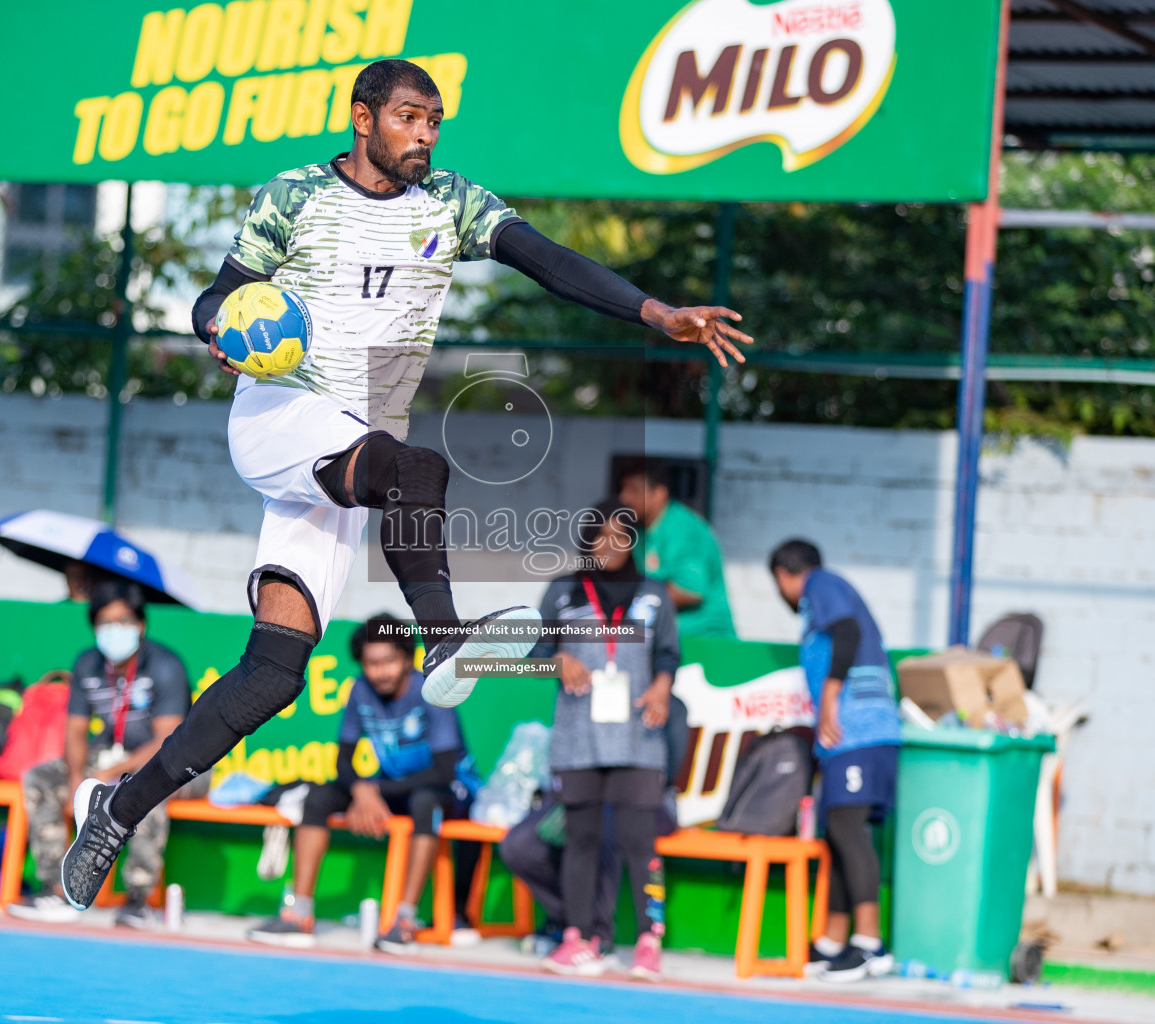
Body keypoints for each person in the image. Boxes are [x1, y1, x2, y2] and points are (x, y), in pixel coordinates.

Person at [58, 58, 751, 913]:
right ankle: (447, 637)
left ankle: (117, 808)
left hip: (355, 454)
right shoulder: (295, 196)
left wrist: (654, 312)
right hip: (282, 417)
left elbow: (548, 259)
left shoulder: (451, 202)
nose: (425, 134)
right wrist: (218, 325)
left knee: (274, 672)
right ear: (362, 117)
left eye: (435, 122)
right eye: (410, 118)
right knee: (416, 467)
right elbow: (222, 294)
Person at [248, 613, 477, 952]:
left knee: (424, 801)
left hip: (450, 789)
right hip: (391, 787)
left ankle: (405, 920)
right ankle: (299, 915)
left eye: (389, 661)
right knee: (320, 797)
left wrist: (371, 792)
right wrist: (360, 790)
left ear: (406, 658)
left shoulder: (431, 690)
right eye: (372, 663)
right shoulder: (360, 690)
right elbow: (343, 760)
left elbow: (444, 770)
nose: (380, 672)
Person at [529, 499, 680, 980]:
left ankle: (648, 941)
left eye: (622, 536)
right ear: (586, 539)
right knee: (582, 841)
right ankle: (580, 938)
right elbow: (536, 655)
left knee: (641, 843)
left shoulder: (656, 595)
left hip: (640, 735)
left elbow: (670, 655)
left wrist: (661, 686)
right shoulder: (564, 591)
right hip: (579, 737)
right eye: (600, 535)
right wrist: (557, 662)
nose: (610, 545)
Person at [7, 579, 202, 928]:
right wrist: (77, 779)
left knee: (149, 785)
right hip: (110, 760)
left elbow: (167, 741)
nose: (115, 631)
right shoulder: (87, 664)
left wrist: (107, 776)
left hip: (180, 763)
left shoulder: (165, 665)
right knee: (41, 779)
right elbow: (76, 731)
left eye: (124, 621)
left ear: (141, 625)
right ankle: (56, 887)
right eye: (105, 623)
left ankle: (138, 898)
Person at [769, 539, 899, 982]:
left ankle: (869, 944)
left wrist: (829, 697)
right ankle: (833, 941)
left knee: (848, 829)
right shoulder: (818, 601)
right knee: (837, 831)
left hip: (859, 728)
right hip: (844, 739)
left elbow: (847, 632)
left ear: (786, 575)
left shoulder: (821, 584)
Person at [499, 693, 687, 961]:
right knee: (520, 845)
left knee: (608, 824)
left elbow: (664, 772)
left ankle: (599, 935)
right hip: (583, 788)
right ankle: (571, 922)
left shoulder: (670, 704)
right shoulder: (586, 693)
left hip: (641, 797)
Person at [618, 460, 736, 640]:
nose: (624, 498)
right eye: (623, 489)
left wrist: (626, 604)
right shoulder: (638, 532)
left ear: (659, 494)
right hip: (664, 641)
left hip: (704, 641)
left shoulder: (683, 528)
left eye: (634, 490)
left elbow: (688, 591)